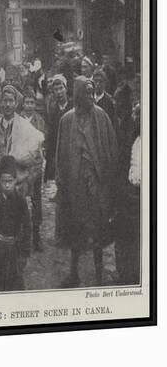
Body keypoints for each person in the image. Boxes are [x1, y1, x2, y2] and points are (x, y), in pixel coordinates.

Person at [55, 76, 118, 287]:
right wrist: (61, 182)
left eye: (93, 92)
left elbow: (111, 151)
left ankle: (99, 277)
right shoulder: (67, 120)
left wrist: (107, 183)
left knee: (97, 232)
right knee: (75, 230)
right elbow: (60, 156)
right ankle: (74, 274)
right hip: (75, 187)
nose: (91, 97)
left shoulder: (102, 117)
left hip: (96, 187)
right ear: (78, 95)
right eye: (87, 93)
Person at [0, 84, 43, 199]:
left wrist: (26, 182)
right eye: (5, 101)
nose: (8, 105)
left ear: (16, 103)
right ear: (0, 103)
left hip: (18, 186)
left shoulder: (25, 127)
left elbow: (38, 158)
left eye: (11, 101)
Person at [0, 155, 31, 292]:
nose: (7, 185)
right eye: (4, 181)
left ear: (15, 181)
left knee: (13, 285)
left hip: (13, 249)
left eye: (10, 181)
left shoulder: (20, 201)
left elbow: (27, 227)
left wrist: (24, 254)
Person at [115, 102, 141, 285]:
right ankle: (125, 274)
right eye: (136, 114)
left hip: (143, 197)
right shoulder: (131, 136)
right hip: (128, 194)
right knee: (125, 237)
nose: (136, 117)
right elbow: (123, 163)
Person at [20, 88, 46, 251]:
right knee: (21, 198)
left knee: (36, 200)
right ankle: (22, 235)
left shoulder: (39, 120)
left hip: (35, 165)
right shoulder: (18, 120)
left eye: (32, 102)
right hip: (21, 165)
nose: (29, 105)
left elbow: (42, 142)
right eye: (26, 102)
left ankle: (36, 236)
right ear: (22, 104)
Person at [44, 74, 71, 182]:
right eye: (56, 89)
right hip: (56, 150)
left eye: (61, 88)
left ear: (66, 89)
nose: (59, 92)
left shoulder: (73, 107)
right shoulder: (52, 109)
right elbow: (50, 132)